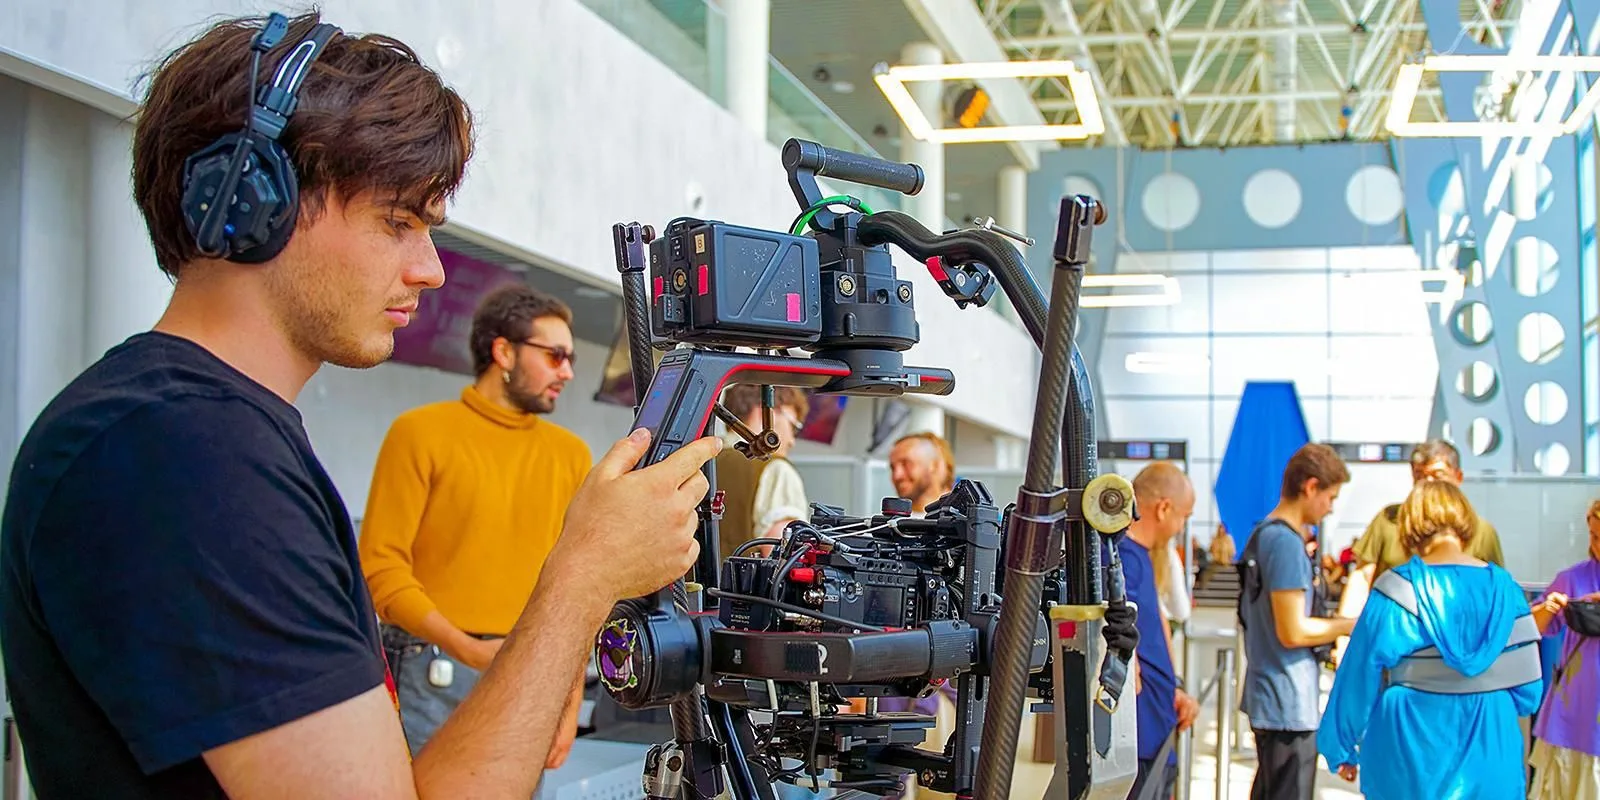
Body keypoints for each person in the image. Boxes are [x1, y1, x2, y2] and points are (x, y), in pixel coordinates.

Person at [0, 12, 721, 798]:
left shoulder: (205, 434)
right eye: (398, 222)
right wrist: (584, 577)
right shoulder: (181, 452)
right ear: (254, 199)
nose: (431, 270)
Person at [358, 284, 592, 761]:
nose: (567, 372)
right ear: (504, 352)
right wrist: (464, 648)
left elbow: (578, 585)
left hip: (532, 667)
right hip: (428, 670)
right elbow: (380, 569)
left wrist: (568, 704)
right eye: (554, 356)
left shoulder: (571, 455)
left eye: (569, 358)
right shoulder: (419, 434)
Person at [1317, 481, 1543, 799]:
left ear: (1409, 527)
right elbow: (1529, 692)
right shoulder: (1506, 589)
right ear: (1466, 523)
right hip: (1492, 740)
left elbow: (1358, 675)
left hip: (1408, 742)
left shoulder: (1395, 590)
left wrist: (1341, 746)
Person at [1237, 443, 1357, 800]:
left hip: (1271, 697)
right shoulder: (1285, 543)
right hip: (1286, 702)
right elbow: (1293, 630)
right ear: (1311, 486)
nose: (1330, 508)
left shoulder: (1265, 535)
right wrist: (1347, 625)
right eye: (1330, 497)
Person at [1340, 440, 1503, 615]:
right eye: (1420, 476)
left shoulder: (1482, 530)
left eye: (1438, 475)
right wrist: (1346, 625)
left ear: (1458, 477)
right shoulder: (1388, 519)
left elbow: (1496, 592)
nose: (1428, 484)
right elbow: (1362, 576)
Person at [1120, 463, 1201, 800]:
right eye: (1184, 517)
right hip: (1140, 738)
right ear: (1164, 508)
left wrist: (1174, 687)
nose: (1182, 527)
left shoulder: (1140, 558)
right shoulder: (1123, 559)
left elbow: (1154, 629)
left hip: (1156, 725)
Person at [1526, 498, 1600, 799]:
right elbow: (1531, 627)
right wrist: (1548, 608)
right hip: (1575, 718)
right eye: (1594, 536)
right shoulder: (1572, 579)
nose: (1598, 545)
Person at [715, 384, 809, 560]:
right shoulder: (777, 470)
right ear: (766, 413)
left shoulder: (699, 459)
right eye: (793, 426)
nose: (792, 441)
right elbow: (783, 558)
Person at [888, 431, 956, 515]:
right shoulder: (889, 521)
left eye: (906, 464)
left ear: (935, 465)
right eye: (892, 468)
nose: (897, 475)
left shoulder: (964, 518)